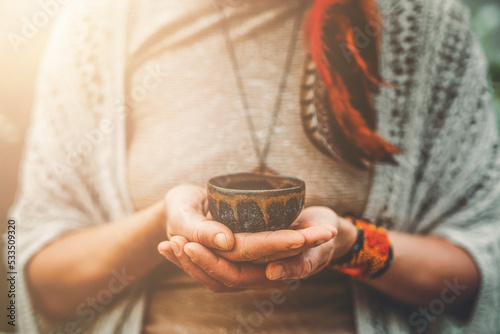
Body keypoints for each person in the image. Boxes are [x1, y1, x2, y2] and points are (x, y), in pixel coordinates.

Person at [8, 0, 500, 333]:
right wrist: (161, 227)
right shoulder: (99, 25)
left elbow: (478, 270)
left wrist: (350, 243)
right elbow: (32, 277)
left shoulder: (420, 23)